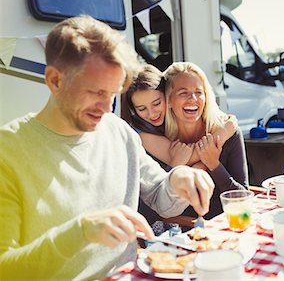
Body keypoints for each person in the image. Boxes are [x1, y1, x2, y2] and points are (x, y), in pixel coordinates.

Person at [0, 15, 214, 280]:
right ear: (55, 80)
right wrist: (80, 232)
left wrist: (178, 178)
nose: (107, 106)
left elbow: (163, 199)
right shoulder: (7, 153)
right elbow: (5, 269)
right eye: (95, 92)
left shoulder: (119, 132)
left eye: (113, 93)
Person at [125, 65, 238, 231]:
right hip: (166, 227)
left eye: (156, 103)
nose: (152, 113)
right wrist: (220, 137)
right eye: (142, 109)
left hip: (216, 225)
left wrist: (211, 162)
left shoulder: (223, 129)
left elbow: (242, 195)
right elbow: (151, 207)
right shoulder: (145, 136)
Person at [163, 62, 249, 219]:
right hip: (178, 232)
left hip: (224, 229)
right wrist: (174, 167)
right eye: (183, 93)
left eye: (198, 92)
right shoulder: (162, 141)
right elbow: (157, 202)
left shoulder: (228, 133)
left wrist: (214, 166)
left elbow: (242, 197)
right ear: (168, 101)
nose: (193, 99)